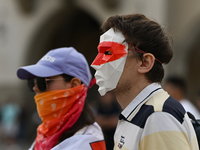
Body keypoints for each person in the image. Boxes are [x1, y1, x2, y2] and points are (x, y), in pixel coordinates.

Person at [91, 14, 199, 150]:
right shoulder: (138, 113)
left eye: (107, 52)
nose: (95, 63)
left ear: (145, 63)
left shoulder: (158, 116)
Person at [16, 47, 106, 150]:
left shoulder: (86, 141)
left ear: (74, 85)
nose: (35, 88)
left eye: (42, 81)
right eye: (32, 81)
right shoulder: (46, 134)